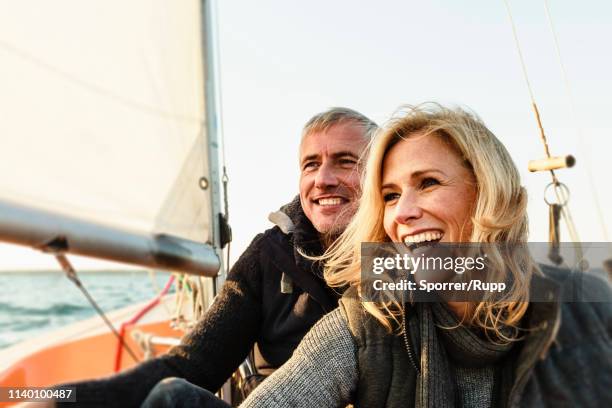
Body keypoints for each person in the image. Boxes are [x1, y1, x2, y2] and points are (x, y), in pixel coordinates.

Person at [239, 103, 612, 407]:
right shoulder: (368, 323)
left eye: (428, 183)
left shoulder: (583, 309)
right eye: (390, 196)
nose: (402, 213)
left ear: (488, 193)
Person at [46, 107, 377, 407]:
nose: (323, 179)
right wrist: (57, 401)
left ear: (378, 176)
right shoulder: (269, 256)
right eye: (311, 165)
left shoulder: (400, 263)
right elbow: (192, 365)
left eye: (346, 161)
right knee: (172, 397)